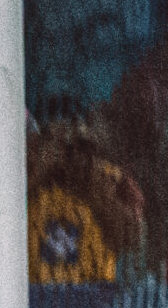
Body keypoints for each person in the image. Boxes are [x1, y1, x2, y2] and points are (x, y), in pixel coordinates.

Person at [28, 104, 146, 285]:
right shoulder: (23, 182)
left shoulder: (112, 180)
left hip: (94, 298)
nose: (70, 154)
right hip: (31, 298)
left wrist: (97, 189)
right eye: (60, 144)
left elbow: (133, 240)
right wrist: (40, 174)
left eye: (79, 146)